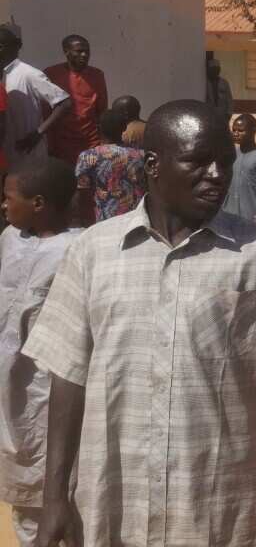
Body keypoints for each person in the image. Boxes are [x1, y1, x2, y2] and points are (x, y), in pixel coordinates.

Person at [22, 100, 256, 547]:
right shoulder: (94, 251)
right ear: (153, 164)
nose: (217, 174)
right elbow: (68, 376)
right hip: (114, 502)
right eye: (197, 161)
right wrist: (54, 499)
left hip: (216, 505)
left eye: (224, 162)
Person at [0, 160, 80, 547]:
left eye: (8, 198)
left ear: (38, 204)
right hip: (11, 392)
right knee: (24, 503)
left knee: (67, 495)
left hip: (52, 393)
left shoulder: (77, 250)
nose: (3, 205)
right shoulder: (11, 240)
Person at [1, 24, 71, 170]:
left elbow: (64, 102)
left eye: (1, 45)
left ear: (17, 47)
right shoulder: (2, 75)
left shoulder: (28, 74)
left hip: (28, 155)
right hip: (7, 154)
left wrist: (38, 133)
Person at [73, 108, 147, 224]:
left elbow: (82, 194)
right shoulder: (140, 155)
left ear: (98, 128)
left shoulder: (88, 157)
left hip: (104, 221)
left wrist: (84, 221)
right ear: (124, 128)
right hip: (135, 219)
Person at [45, 35, 109, 165]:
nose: (84, 55)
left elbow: (102, 112)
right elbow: (46, 112)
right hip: (61, 146)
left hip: (90, 145)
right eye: (79, 51)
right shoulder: (51, 74)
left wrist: (103, 144)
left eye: (87, 51)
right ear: (66, 52)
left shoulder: (97, 75)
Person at [223, 114, 256, 226]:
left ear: (253, 131)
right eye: (234, 130)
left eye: (241, 130)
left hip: (252, 219)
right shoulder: (230, 154)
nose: (236, 133)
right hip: (228, 216)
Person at [205, 57, 234, 125]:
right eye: (213, 69)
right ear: (209, 70)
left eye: (217, 69)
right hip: (209, 114)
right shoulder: (205, 83)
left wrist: (229, 113)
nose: (216, 71)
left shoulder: (224, 82)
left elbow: (229, 99)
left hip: (223, 114)